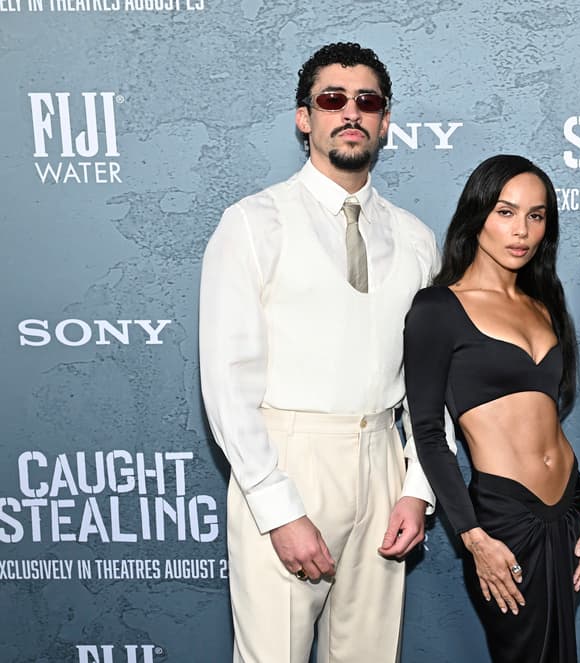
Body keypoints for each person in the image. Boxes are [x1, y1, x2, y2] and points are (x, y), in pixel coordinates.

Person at [199, 42, 445, 663]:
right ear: (304, 117)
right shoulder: (253, 224)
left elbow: (432, 382)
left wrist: (419, 487)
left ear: (386, 121)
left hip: (384, 462)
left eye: (367, 101)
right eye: (332, 99)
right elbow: (227, 384)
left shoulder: (416, 239)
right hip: (289, 459)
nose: (350, 113)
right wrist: (277, 509)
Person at [404, 154, 580, 663]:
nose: (522, 231)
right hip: (503, 522)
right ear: (477, 216)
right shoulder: (436, 309)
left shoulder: (544, 303)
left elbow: (545, 426)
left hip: (565, 513)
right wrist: (473, 537)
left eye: (536, 216)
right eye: (506, 212)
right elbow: (429, 434)